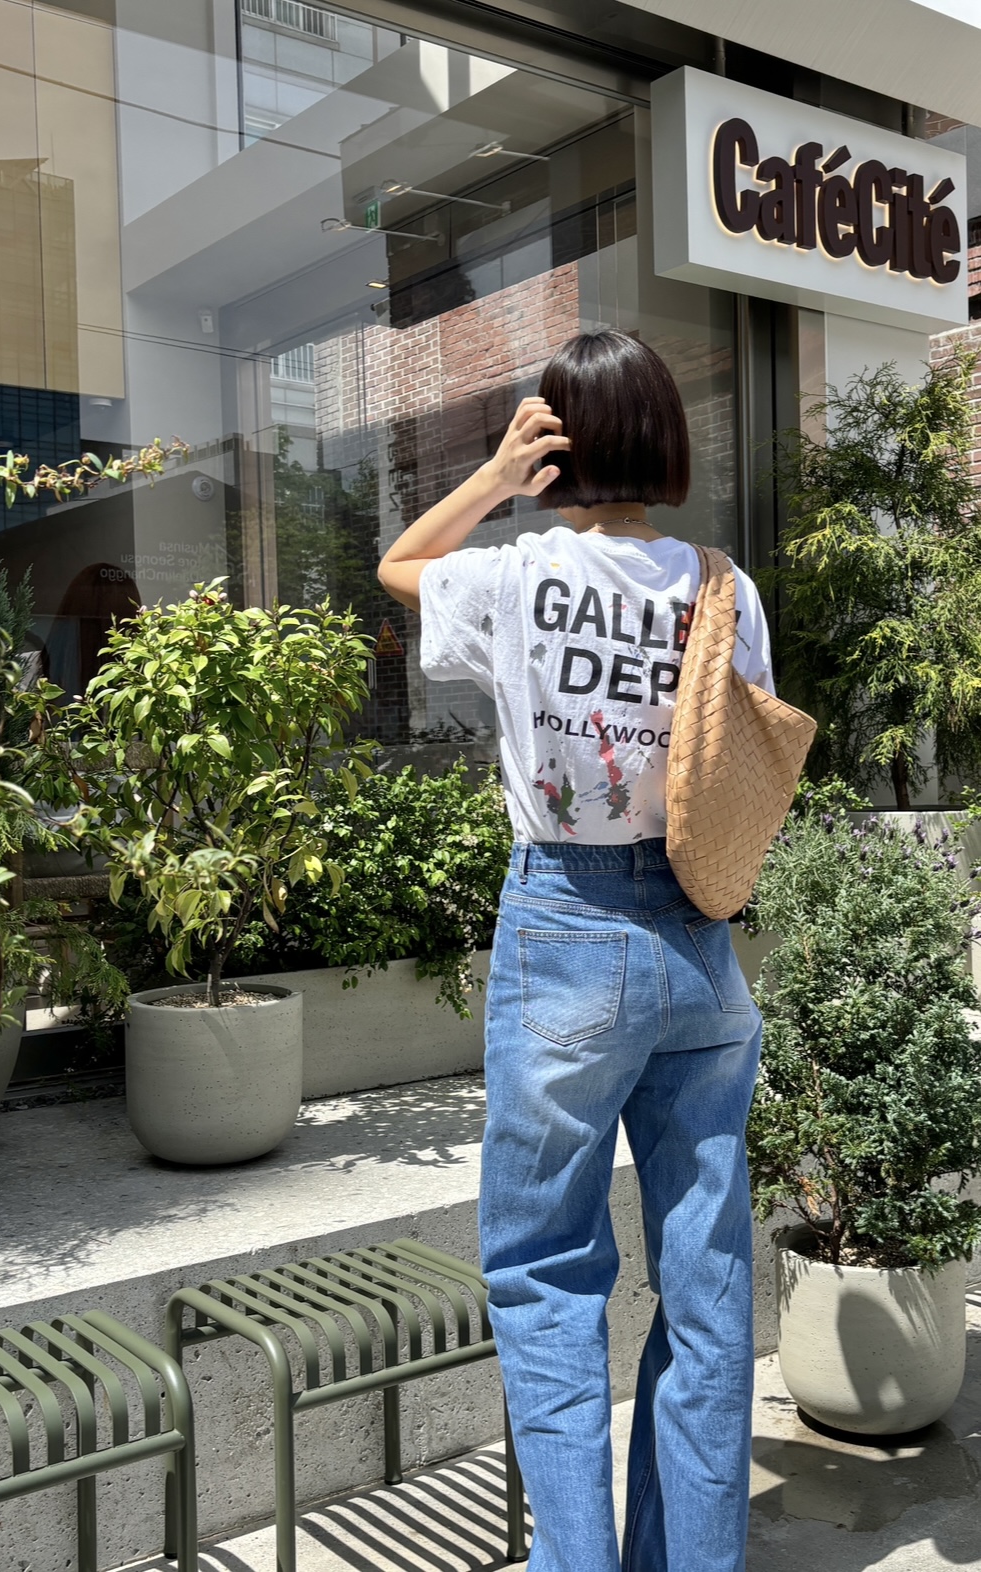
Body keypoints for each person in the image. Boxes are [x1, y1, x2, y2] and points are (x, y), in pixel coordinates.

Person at [378, 329, 769, 1572]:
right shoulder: (723, 585)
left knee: (547, 1274)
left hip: (567, 928)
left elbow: (399, 564)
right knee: (707, 1290)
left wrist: (496, 478)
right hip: (701, 943)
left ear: (562, 445)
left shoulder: (521, 574)